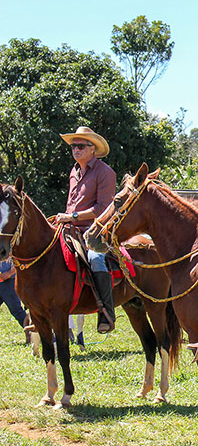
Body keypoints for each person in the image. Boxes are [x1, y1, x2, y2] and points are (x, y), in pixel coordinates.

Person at [56, 126, 118, 333]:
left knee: (96, 259)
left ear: (93, 149)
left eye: (81, 146)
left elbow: (103, 209)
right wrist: (64, 219)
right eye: (74, 146)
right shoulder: (74, 171)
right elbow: (71, 204)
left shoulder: (105, 172)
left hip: (95, 231)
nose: (76, 149)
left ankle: (106, 313)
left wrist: (72, 217)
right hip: (69, 229)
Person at [0, 258, 27, 329]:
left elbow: (20, 260)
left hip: (8, 281)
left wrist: (9, 273)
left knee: (17, 311)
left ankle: (36, 334)